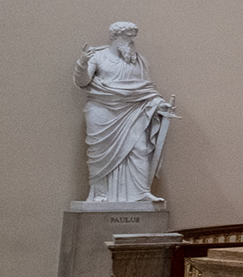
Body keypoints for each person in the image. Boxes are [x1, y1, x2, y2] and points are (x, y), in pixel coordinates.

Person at [76, 22, 178, 203]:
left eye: (132, 39)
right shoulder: (98, 56)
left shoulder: (140, 61)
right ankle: (99, 194)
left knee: (140, 149)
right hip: (102, 109)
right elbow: (83, 82)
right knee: (99, 152)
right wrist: (83, 63)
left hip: (133, 110)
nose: (131, 42)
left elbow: (146, 90)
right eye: (127, 38)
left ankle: (140, 192)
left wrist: (160, 105)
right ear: (114, 38)